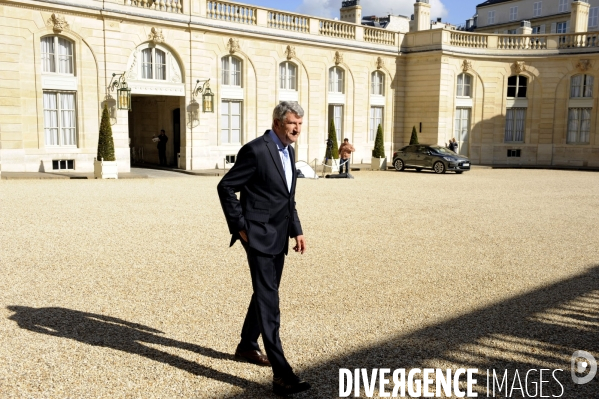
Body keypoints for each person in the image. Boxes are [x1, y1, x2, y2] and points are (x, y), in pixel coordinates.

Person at [216, 102, 311, 396]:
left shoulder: (289, 151)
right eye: (292, 123)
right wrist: (239, 225)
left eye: (300, 124)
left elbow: (287, 197)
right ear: (277, 122)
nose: (297, 129)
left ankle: (247, 345)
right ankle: (282, 374)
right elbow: (226, 186)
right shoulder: (256, 150)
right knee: (270, 299)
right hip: (256, 235)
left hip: (279, 234)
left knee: (265, 291)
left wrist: (297, 229)